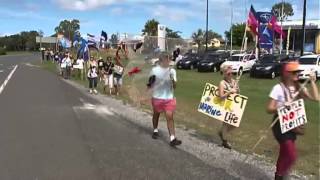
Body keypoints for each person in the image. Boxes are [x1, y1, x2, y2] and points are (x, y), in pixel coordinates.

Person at [266, 61, 319, 180]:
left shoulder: (299, 87)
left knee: (284, 153)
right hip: (280, 125)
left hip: (293, 124)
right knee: (291, 155)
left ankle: (278, 175)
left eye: (298, 71)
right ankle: (282, 174)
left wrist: (312, 82)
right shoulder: (278, 88)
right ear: (287, 73)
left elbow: (316, 98)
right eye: (294, 72)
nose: (297, 73)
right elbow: (269, 109)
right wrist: (282, 105)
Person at [147, 52, 182, 147]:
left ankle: (172, 138)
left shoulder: (172, 71)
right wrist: (149, 87)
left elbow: (174, 86)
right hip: (157, 97)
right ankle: (155, 130)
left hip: (169, 98)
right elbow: (150, 83)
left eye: (169, 59)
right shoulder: (154, 70)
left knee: (169, 116)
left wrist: (172, 80)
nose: (168, 61)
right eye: (166, 59)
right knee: (156, 114)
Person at [218, 64, 240, 149]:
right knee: (226, 123)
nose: (230, 75)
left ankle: (222, 133)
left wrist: (237, 89)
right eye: (228, 73)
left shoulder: (234, 82)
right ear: (224, 73)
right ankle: (224, 141)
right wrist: (229, 92)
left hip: (233, 106)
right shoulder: (222, 83)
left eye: (231, 73)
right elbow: (221, 96)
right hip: (225, 105)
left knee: (235, 124)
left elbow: (238, 94)